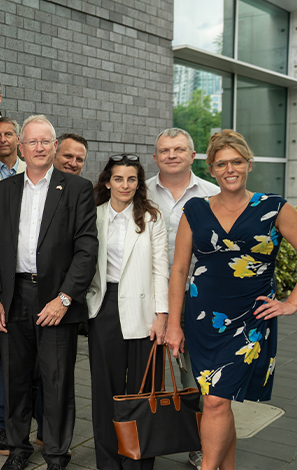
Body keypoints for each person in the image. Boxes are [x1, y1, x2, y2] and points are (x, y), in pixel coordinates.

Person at [165, 130, 297, 470]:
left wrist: (291, 302)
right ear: (211, 169)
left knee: (216, 403)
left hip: (252, 320)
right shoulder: (195, 209)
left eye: (236, 161)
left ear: (249, 164)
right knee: (216, 402)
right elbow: (179, 270)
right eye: (221, 163)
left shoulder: (274, 207)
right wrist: (173, 325)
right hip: (202, 322)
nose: (230, 169)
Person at [0, 115, 98, 470]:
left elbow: (86, 250)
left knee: (57, 380)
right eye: (31, 142)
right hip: (14, 295)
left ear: (54, 147)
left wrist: (65, 298)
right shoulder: (4, 190)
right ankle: (18, 449)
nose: (38, 148)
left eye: (45, 142)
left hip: (55, 299)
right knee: (15, 377)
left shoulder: (77, 189)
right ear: (21, 146)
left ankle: (57, 453)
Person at [86, 154, 169, 470]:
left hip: (145, 309)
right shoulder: (93, 216)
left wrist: (162, 315)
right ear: (108, 182)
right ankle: (107, 463)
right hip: (105, 306)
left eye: (131, 179)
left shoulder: (152, 218)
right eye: (118, 178)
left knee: (143, 391)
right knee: (105, 391)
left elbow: (161, 269)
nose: (125, 184)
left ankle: (138, 463)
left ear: (139, 183)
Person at [144, 127, 219, 469]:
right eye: (164, 150)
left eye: (179, 149)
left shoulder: (214, 194)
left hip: (199, 298)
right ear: (155, 157)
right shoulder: (138, 193)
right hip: (147, 296)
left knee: (198, 376)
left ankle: (200, 443)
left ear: (193, 155)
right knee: (145, 372)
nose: (171, 155)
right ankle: (144, 437)